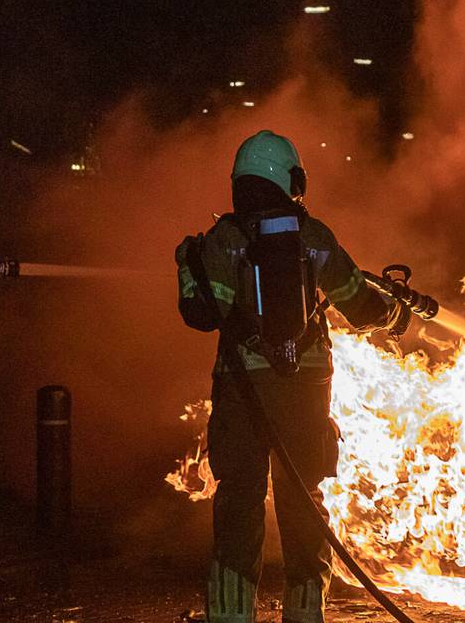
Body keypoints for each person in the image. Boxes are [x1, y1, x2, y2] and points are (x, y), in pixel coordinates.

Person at [175, 130, 409, 623]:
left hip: (242, 394)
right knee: (304, 510)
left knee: (238, 506)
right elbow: (359, 302)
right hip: (305, 392)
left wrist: (187, 262)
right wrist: (395, 315)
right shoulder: (315, 237)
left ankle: (231, 617)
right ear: (289, 179)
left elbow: (202, 312)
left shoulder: (224, 239)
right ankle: (306, 616)